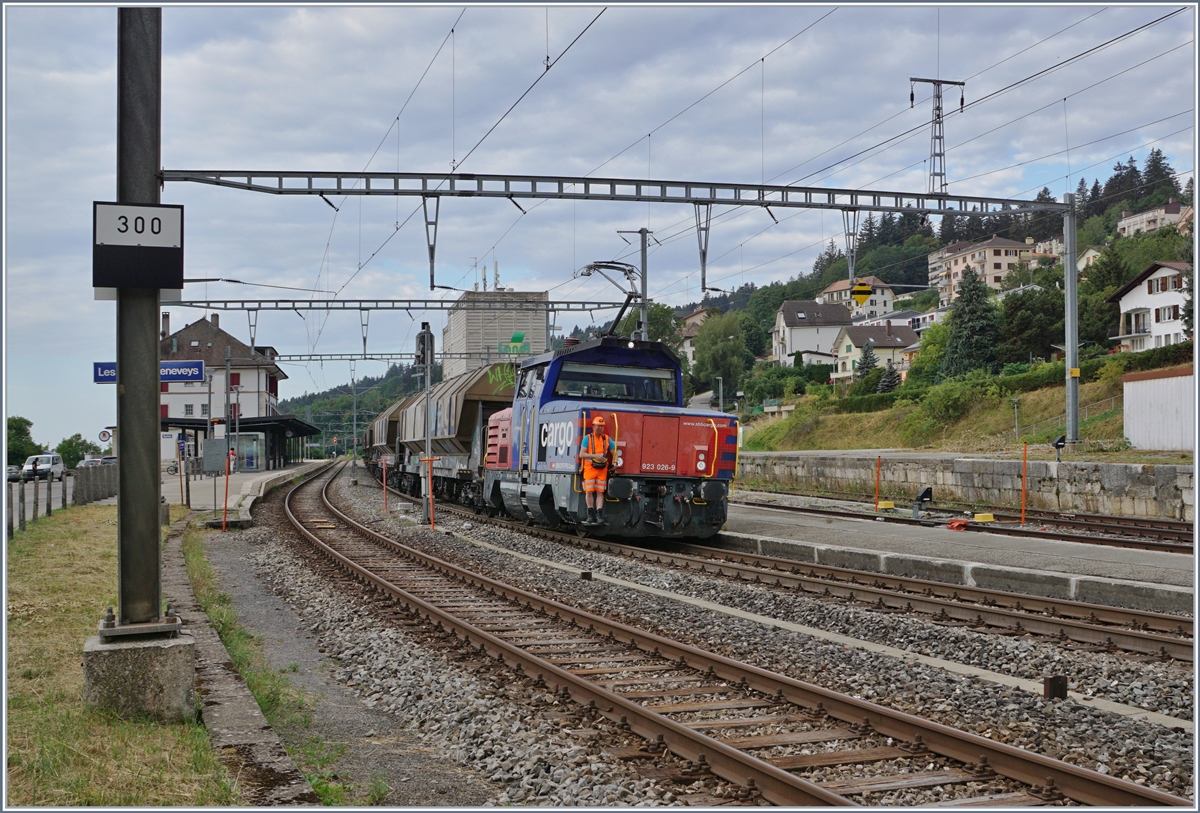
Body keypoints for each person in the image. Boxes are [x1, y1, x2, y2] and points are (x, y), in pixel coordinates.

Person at [580, 416, 616, 524]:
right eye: (598, 426)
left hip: (602, 469)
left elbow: (614, 453)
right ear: (593, 427)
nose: (600, 428)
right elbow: (581, 454)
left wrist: (615, 463)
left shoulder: (607, 439)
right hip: (590, 468)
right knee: (589, 491)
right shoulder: (587, 438)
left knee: (600, 492)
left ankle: (599, 515)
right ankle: (590, 514)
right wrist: (596, 456)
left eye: (602, 426)